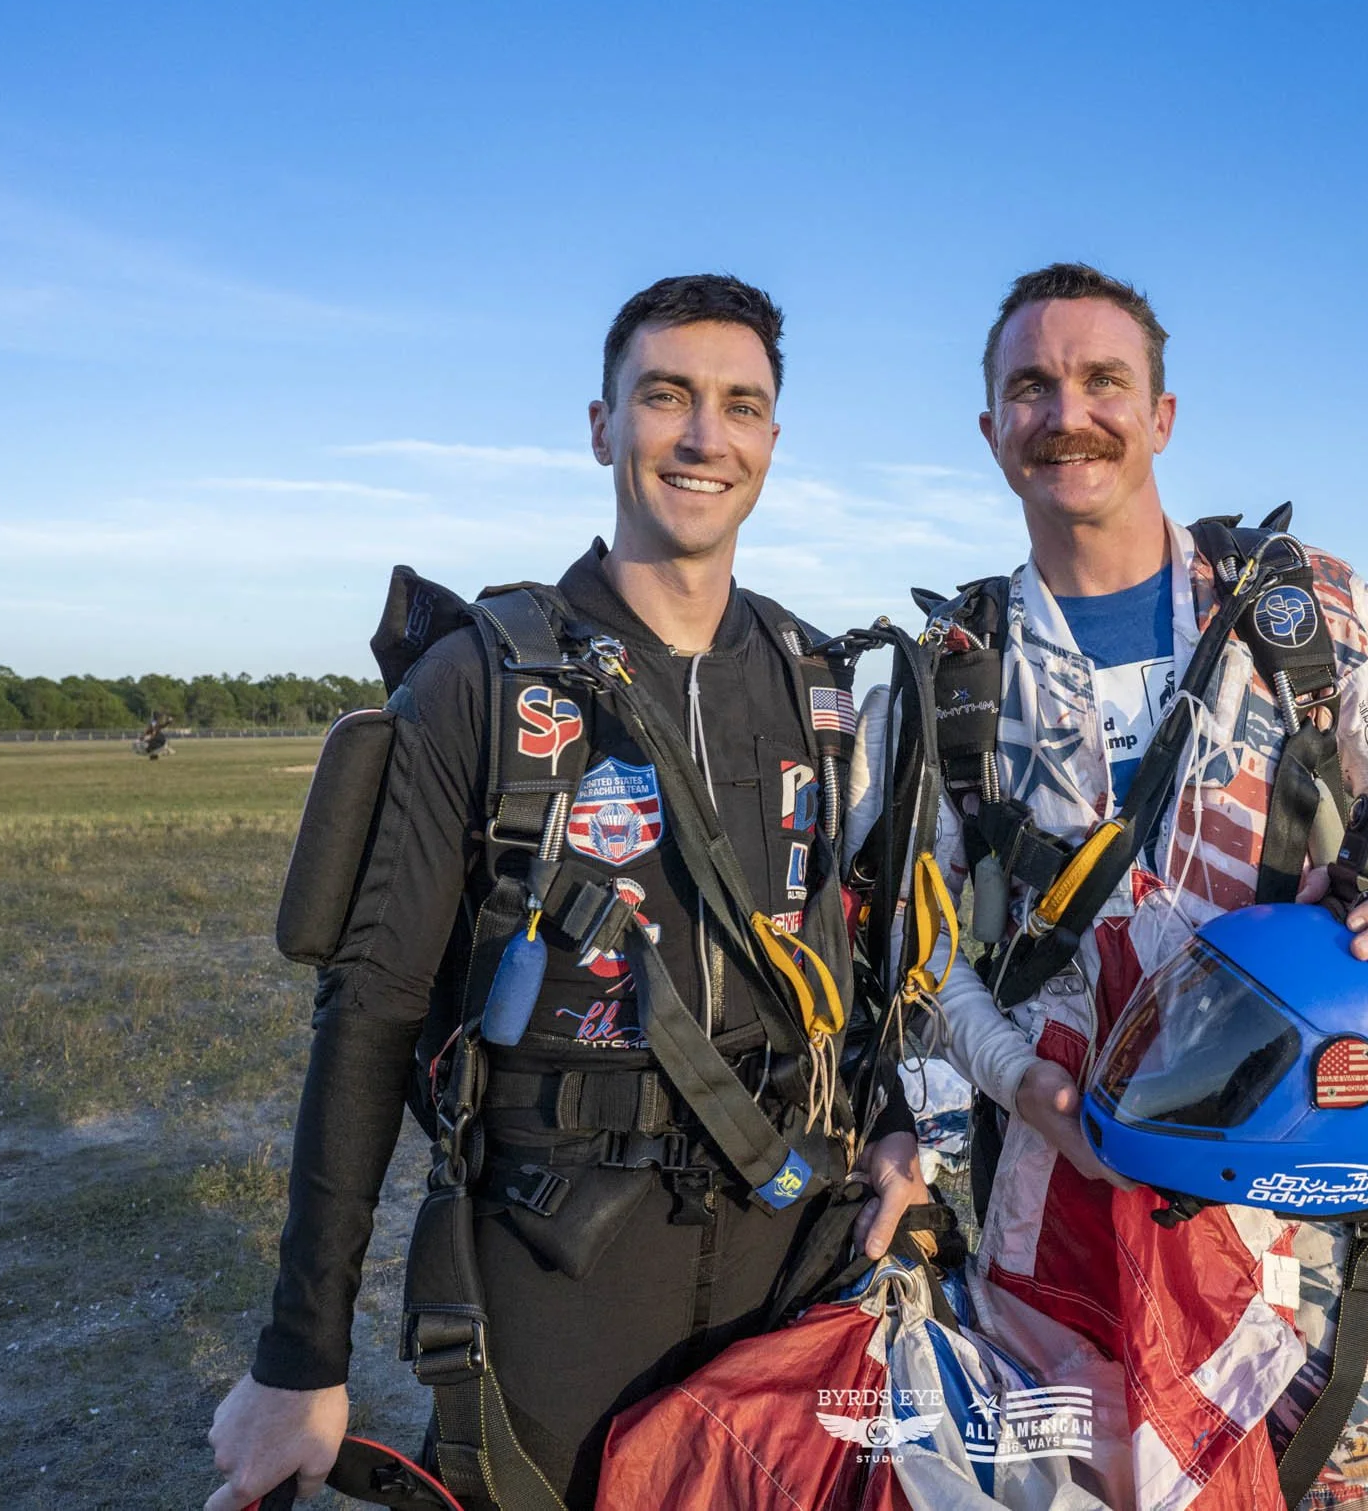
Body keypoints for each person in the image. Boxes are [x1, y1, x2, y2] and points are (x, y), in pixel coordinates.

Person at [206, 275, 926, 1511]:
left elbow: (852, 959)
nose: (706, 436)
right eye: (667, 396)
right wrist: (298, 1357)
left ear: (770, 439)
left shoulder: (822, 687)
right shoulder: (483, 679)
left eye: (740, 405)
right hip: (558, 1272)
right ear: (603, 426)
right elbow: (368, 1017)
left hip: (793, 1267)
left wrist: (899, 1119)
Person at [853, 263, 1368, 1509]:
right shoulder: (945, 681)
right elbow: (922, 953)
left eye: (1101, 380)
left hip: (1298, 1198)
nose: (1065, 411)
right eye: (1029, 385)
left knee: (1350, 1487)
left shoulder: (1298, 615)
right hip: (1052, 1209)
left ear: (1162, 414)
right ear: (990, 429)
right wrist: (1014, 1082)